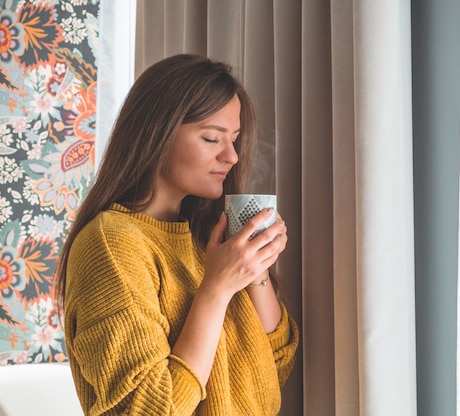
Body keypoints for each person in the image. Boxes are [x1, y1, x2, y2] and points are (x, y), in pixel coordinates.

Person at [54, 54, 299, 415]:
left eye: (234, 139)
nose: (231, 156)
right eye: (212, 138)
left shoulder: (206, 238)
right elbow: (150, 409)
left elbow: (272, 365)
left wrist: (253, 269)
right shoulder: (111, 244)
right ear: (158, 133)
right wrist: (216, 289)